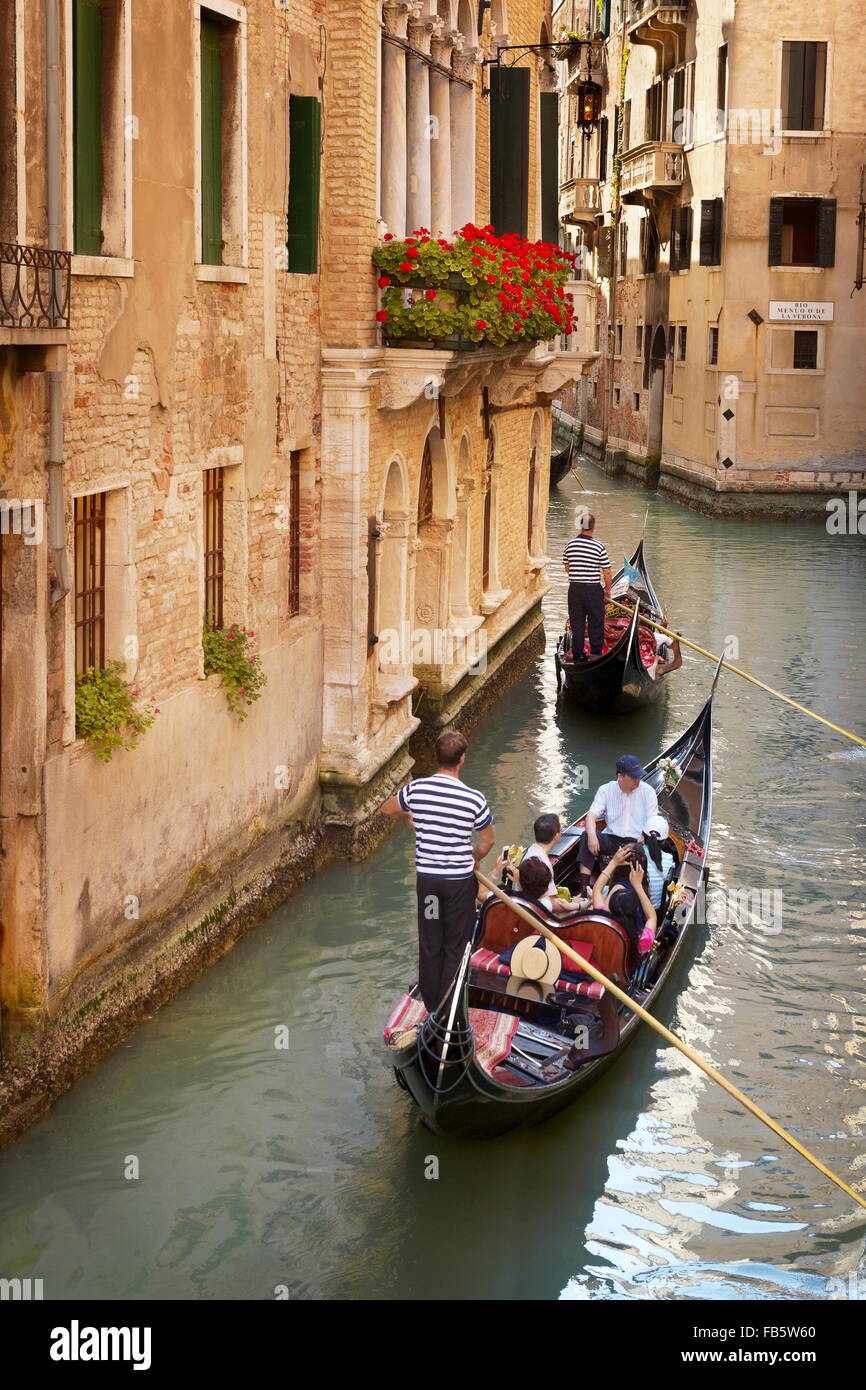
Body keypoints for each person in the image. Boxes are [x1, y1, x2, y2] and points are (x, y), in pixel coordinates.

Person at [380, 730, 495, 1012]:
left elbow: (385, 809)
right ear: (462, 760)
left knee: (431, 942)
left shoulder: (416, 790)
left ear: (436, 758)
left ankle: (431, 1007)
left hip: (429, 884)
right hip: (458, 884)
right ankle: (449, 1009)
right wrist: (473, 856)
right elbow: (487, 840)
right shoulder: (474, 799)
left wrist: (410, 815)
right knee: (455, 945)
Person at [576, 754, 659, 893]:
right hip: (612, 839)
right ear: (620, 776)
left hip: (635, 842)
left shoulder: (648, 792)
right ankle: (584, 888)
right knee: (585, 836)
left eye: (639, 776)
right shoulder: (606, 790)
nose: (638, 780)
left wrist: (644, 837)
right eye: (633, 777)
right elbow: (591, 816)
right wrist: (591, 835)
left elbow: (652, 821)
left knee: (637, 849)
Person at [592, 845, 657, 963]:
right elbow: (652, 916)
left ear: (610, 906)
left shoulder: (602, 923)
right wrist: (638, 886)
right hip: (624, 976)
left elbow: (596, 889)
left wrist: (613, 862)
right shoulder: (643, 941)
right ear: (635, 910)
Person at [563, 510, 612, 660]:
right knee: (595, 620)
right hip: (592, 589)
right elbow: (607, 572)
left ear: (581, 526)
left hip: (575, 589)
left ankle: (578, 654)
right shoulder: (599, 547)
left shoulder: (570, 545)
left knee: (577, 622)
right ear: (593, 527)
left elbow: (567, 567)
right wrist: (608, 589)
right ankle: (596, 654)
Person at [640, 814, 676, 909]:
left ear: (643, 835)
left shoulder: (636, 854)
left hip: (638, 909)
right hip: (657, 910)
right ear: (664, 841)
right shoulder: (669, 859)